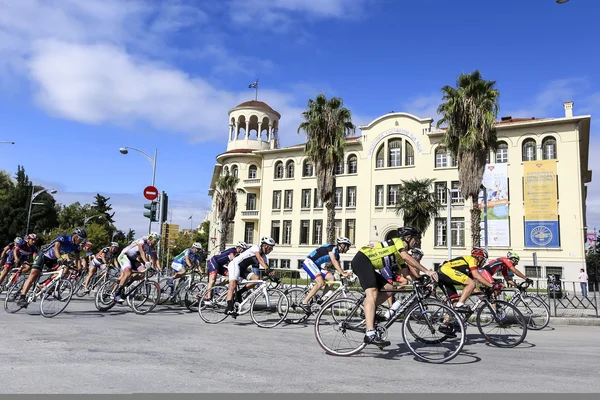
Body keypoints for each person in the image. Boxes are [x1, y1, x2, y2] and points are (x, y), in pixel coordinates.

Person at [351, 227, 438, 347]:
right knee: (372, 292)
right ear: (407, 238)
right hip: (362, 260)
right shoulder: (398, 242)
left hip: (368, 264)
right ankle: (370, 334)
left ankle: (368, 311)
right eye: (415, 239)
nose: (416, 242)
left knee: (388, 288)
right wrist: (427, 271)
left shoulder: (398, 254)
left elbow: (405, 272)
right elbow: (407, 258)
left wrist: (418, 280)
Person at [16, 228, 87, 308]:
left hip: (53, 260)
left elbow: (77, 259)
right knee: (34, 275)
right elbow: (56, 248)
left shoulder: (76, 247)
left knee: (64, 270)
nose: (81, 241)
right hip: (43, 255)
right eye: (81, 239)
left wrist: (80, 269)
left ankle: (44, 285)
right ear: (76, 237)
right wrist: (60, 258)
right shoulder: (64, 238)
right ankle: (22, 297)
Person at [298, 237, 353, 314]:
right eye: (348, 246)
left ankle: (321, 300)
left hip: (316, 265)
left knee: (331, 278)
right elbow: (333, 261)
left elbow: (338, 266)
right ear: (343, 245)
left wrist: (343, 274)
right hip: (309, 262)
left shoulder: (337, 255)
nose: (348, 249)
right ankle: (304, 302)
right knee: (320, 283)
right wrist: (343, 273)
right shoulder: (332, 248)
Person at [225, 237, 276, 316]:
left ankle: (239, 293)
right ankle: (228, 308)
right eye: (271, 248)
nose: (271, 250)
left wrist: (274, 277)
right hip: (235, 265)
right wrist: (267, 269)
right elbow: (259, 259)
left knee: (256, 279)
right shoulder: (256, 248)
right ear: (265, 246)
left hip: (242, 269)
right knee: (233, 285)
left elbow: (266, 267)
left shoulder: (264, 257)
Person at [437, 248, 497, 313]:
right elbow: (476, 276)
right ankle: (459, 305)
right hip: (445, 271)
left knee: (455, 302)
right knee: (471, 284)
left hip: (443, 274)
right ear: (479, 258)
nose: (484, 262)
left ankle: (447, 321)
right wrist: (491, 285)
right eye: (484, 259)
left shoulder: (467, 268)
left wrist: (482, 295)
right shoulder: (473, 259)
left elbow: (471, 288)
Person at [114, 233, 161, 303]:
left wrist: (156, 268)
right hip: (124, 256)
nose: (156, 242)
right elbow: (142, 252)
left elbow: (155, 258)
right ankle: (116, 294)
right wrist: (146, 261)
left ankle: (125, 283)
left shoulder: (152, 247)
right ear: (150, 238)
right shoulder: (142, 241)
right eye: (156, 240)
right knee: (128, 272)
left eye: (157, 241)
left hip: (133, 259)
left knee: (142, 273)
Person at [380, 248, 423, 318]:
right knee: (390, 287)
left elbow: (408, 276)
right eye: (420, 257)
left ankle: (391, 292)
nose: (420, 259)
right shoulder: (409, 259)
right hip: (386, 268)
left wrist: (417, 280)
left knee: (404, 282)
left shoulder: (414, 262)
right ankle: (391, 308)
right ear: (416, 255)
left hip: (393, 272)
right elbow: (413, 273)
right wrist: (419, 278)